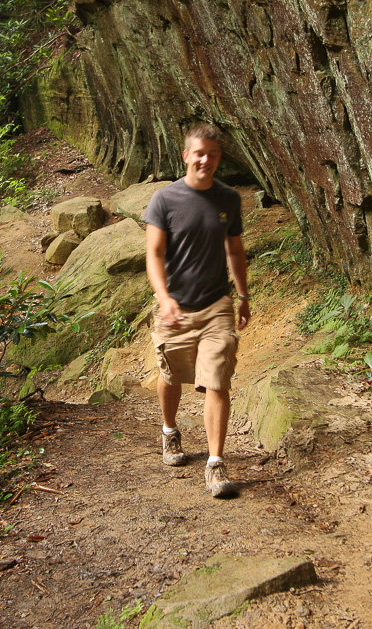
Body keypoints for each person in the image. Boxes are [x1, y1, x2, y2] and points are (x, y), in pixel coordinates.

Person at [142, 124, 250, 498]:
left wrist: (243, 295)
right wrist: (164, 297)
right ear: (186, 155)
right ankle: (170, 432)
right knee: (171, 375)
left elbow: (234, 250)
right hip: (175, 306)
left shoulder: (229, 199)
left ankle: (215, 463)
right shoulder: (164, 200)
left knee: (218, 379)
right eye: (199, 153)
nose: (206, 160)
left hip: (217, 304)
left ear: (219, 158)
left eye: (213, 154)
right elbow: (154, 255)